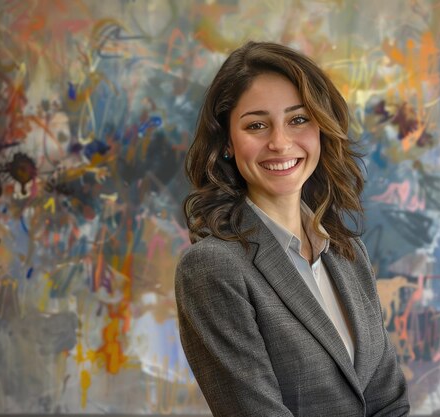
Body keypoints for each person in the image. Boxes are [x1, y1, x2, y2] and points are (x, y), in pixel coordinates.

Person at [175, 41, 410, 416]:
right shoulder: (212, 269)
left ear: (320, 129)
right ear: (227, 144)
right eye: (256, 125)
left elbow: (389, 402)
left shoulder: (349, 253)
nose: (280, 143)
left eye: (298, 119)